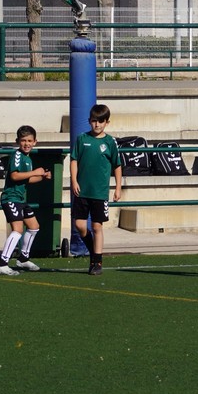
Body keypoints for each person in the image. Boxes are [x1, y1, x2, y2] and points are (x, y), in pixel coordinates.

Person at [70, 104, 123, 275]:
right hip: (82, 190)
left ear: (107, 122)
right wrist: (73, 181)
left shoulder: (110, 142)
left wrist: (118, 187)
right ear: (89, 121)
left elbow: (117, 165)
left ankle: (97, 262)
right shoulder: (82, 138)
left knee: (97, 226)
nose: (97, 124)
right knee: (79, 225)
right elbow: (74, 160)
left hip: (100, 192)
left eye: (101, 121)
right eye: (94, 121)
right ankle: (93, 251)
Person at [0, 125, 52, 275]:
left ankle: (23, 259)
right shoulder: (18, 155)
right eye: (23, 140)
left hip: (20, 198)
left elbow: (25, 179)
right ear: (17, 141)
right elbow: (14, 176)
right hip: (10, 198)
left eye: (29, 140)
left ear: (35, 142)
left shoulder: (27, 158)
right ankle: (2, 263)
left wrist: (42, 177)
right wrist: (35, 172)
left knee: (34, 226)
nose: (26, 143)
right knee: (18, 230)